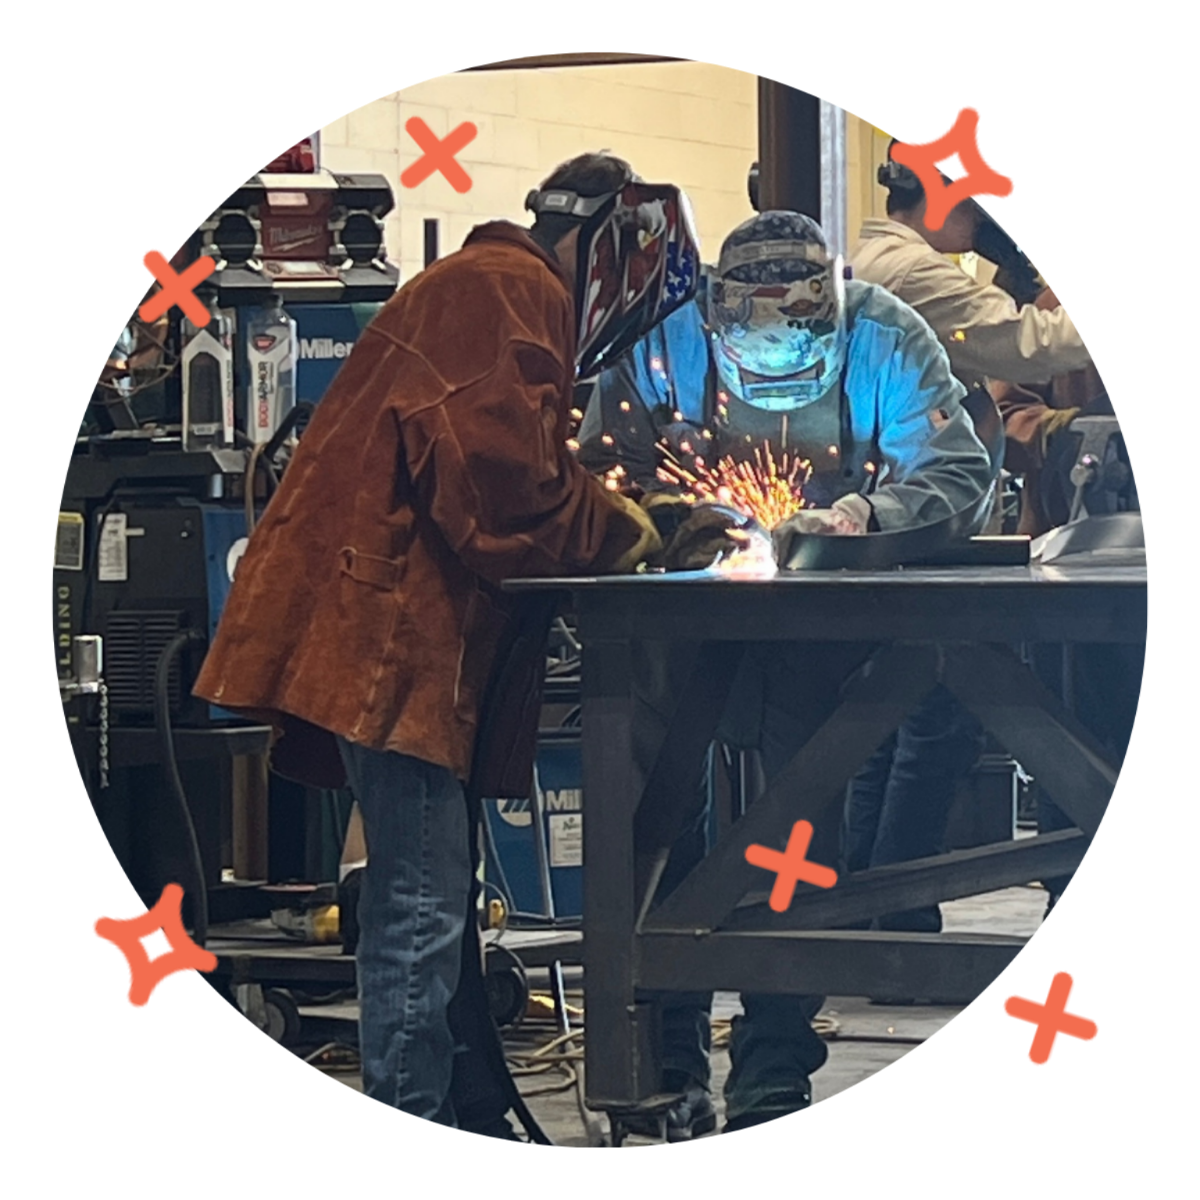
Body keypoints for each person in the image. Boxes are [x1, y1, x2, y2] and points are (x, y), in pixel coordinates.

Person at [192, 152, 703, 1142]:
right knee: (422, 910)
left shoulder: (486, 286)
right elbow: (501, 485)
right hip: (390, 643)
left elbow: (507, 462)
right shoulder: (507, 290)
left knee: (428, 900)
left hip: (390, 632)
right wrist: (621, 530)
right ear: (608, 254)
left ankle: (456, 1101)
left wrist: (616, 511)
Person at [580, 211, 994, 1139]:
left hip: (821, 618)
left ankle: (772, 1066)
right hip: (678, 614)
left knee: (791, 833)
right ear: (722, 317)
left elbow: (959, 470)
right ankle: (667, 1065)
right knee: (659, 825)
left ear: (831, 314)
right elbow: (603, 466)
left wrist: (866, 513)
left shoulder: (886, 333)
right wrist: (671, 517)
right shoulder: (665, 340)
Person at [851, 140, 1137, 922]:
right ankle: (887, 910)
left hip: (979, 527)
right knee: (939, 716)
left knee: (900, 721)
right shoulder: (912, 271)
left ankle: (876, 909)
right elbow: (1015, 357)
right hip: (1030, 534)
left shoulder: (904, 266)